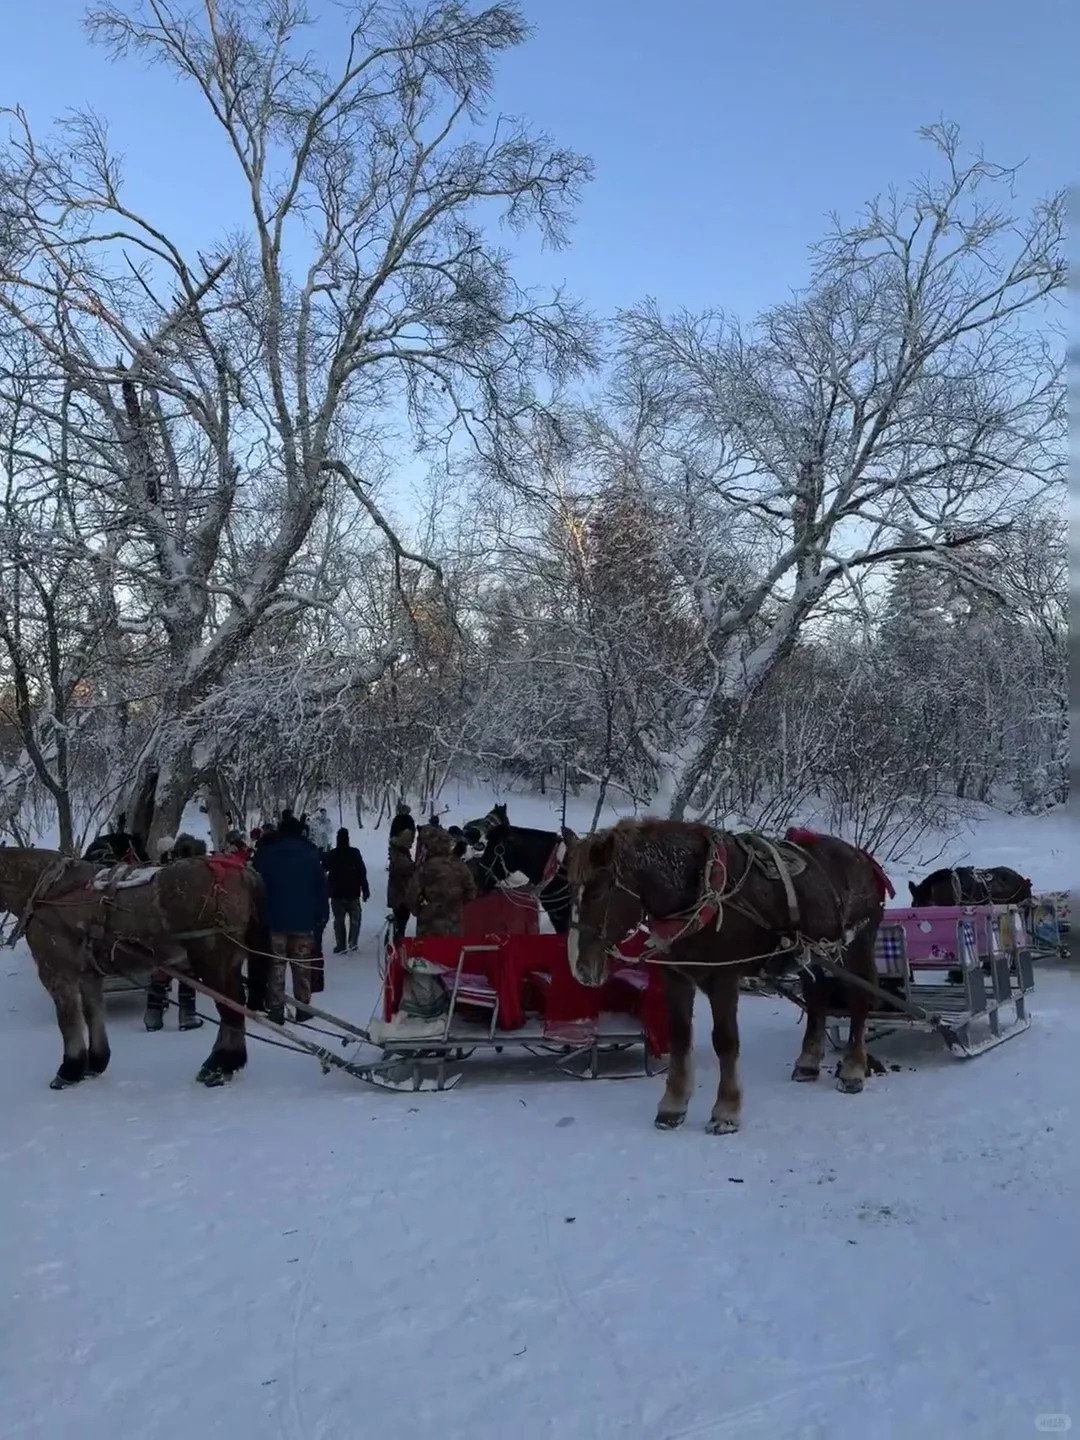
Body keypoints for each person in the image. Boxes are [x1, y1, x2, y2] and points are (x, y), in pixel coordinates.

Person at [252, 813, 329, 1025]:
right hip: (303, 920)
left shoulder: (267, 853)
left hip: (274, 919)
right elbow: (321, 887)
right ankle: (303, 1007)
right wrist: (321, 915)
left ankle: (276, 1008)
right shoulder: (310, 853)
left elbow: (256, 884)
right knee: (301, 964)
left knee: (276, 965)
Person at [144, 833, 206, 1032]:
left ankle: (152, 1016)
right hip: (185, 932)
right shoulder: (197, 875)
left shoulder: (161, 872)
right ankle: (187, 1016)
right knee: (188, 972)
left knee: (160, 971)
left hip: (159, 930)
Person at [406, 824, 478, 937]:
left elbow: (412, 897)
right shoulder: (461, 866)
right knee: (452, 954)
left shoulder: (424, 869)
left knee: (428, 954)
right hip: (454, 928)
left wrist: (421, 909)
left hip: (428, 929)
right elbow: (471, 893)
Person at [322, 828, 370, 953]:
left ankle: (341, 944)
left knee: (339, 921)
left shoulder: (332, 854)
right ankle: (353, 942)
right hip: (352, 892)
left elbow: (323, 868)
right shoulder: (354, 853)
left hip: (337, 893)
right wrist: (365, 889)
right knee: (355, 920)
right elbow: (362, 872)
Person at [387, 830, 416, 943]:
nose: (411, 844)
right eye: (409, 841)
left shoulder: (398, 854)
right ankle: (396, 946)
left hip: (398, 895)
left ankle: (395, 942)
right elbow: (409, 868)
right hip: (401, 897)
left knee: (400, 923)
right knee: (400, 925)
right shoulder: (400, 858)